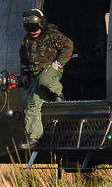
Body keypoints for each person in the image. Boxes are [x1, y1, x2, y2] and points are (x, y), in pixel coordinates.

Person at [18, 8, 73, 149]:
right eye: (29, 28)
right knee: (32, 105)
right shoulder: (27, 41)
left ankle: (58, 92)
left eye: (35, 27)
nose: (33, 31)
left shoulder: (53, 35)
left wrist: (58, 64)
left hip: (52, 70)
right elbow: (24, 59)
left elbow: (68, 46)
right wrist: (25, 75)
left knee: (45, 80)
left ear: (41, 24)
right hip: (36, 75)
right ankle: (34, 137)